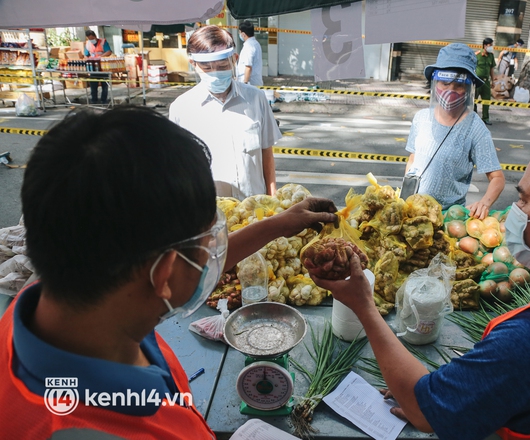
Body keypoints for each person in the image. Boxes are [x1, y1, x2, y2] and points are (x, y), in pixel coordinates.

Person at [0, 106, 337, 438]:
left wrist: (278, 225)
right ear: (163, 274)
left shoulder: (68, 287)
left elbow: (175, 268)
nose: (213, 258)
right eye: (209, 247)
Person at [313, 131, 530, 439]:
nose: (515, 212)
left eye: (525, 200)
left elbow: (421, 411)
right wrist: (461, 386)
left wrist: (363, 305)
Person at [169, 25, 280, 200]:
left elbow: (267, 155)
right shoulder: (181, 109)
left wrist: (273, 203)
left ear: (234, 60)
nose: (215, 73)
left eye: (222, 66)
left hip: (255, 213)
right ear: (194, 65)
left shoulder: (256, 99)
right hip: (210, 217)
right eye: (207, 68)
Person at [405, 43, 504, 219]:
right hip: (414, 212)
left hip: (448, 219)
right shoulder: (421, 118)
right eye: (444, 83)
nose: (450, 91)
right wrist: (406, 197)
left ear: (468, 88)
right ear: (435, 84)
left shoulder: (475, 129)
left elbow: (497, 178)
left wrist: (484, 203)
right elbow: (413, 159)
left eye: (458, 85)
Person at [83, 30, 112, 105]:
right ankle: (94, 100)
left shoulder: (103, 42)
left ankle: (104, 100)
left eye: (92, 38)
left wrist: (100, 57)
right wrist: (88, 59)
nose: (91, 40)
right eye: (89, 39)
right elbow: (86, 54)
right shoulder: (88, 44)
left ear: (95, 37)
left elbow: (109, 52)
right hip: (93, 67)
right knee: (93, 85)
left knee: (104, 85)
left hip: (103, 66)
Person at [473, 38, 497, 125]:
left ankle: (485, 118)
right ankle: (474, 118)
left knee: (487, 100)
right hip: (477, 81)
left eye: (491, 45)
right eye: (490, 45)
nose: (491, 47)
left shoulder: (491, 56)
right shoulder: (477, 55)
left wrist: (493, 80)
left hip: (486, 82)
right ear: (485, 45)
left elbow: (491, 68)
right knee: (474, 100)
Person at [236, 21, 263, 87]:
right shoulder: (256, 43)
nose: (239, 34)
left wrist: (245, 84)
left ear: (243, 34)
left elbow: (248, 67)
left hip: (249, 83)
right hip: (255, 81)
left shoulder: (249, 46)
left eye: (239, 32)